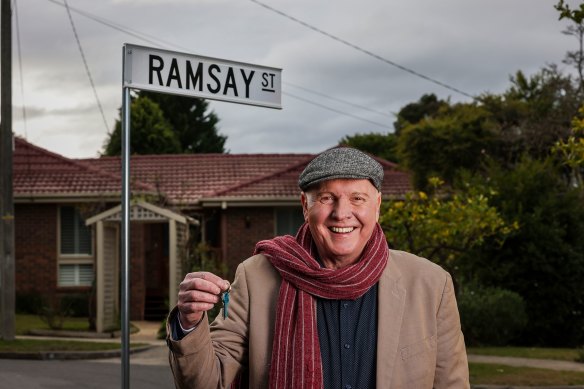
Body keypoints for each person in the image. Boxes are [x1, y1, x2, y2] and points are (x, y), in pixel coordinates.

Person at [166, 147, 470, 388]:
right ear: (304, 205)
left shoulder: (430, 284)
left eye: (357, 198)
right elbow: (207, 382)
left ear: (377, 206)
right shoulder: (256, 277)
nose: (342, 213)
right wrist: (190, 322)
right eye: (327, 198)